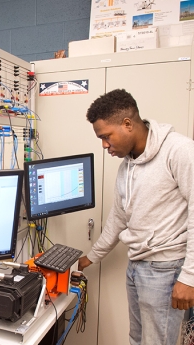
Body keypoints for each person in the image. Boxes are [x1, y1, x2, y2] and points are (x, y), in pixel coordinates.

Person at [78, 89, 194, 345]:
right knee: (138, 338)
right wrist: (90, 258)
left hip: (166, 269)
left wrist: (189, 277)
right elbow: (119, 218)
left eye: (106, 136)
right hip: (137, 268)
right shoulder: (127, 166)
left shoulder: (180, 151)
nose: (104, 145)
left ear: (127, 124)